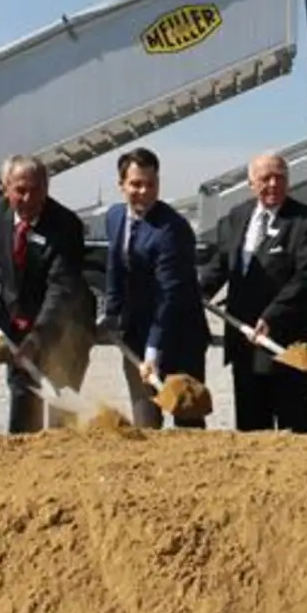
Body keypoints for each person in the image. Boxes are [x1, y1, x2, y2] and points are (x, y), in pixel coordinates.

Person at [198, 152, 307, 433]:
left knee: (295, 428)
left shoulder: (306, 222)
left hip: (286, 343)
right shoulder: (237, 217)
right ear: (250, 183)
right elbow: (222, 263)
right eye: (264, 178)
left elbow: (306, 279)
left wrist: (272, 316)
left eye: (279, 177)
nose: (272, 184)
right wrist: (197, 291)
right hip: (244, 341)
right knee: (251, 428)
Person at [0, 155, 93, 433]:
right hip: (16, 322)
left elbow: (61, 288)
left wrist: (38, 336)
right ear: (6, 187)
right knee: (22, 396)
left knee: (60, 403)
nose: (28, 197)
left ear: (46, 188)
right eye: (20, 190)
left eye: (36, 189)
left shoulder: (66, 226)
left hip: (63, 326)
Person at [101, 147, 211, 429]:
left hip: (179, 335)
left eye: (151, 184)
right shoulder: (114, 217)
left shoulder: (172, 230)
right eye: (136, 184)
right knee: (146, 421)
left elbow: (169, 297)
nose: (145, 191)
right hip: (136, 333)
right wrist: (111, 314)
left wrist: (154, 352)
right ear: (122, 185)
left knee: (187, 419)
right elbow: (115, 267)